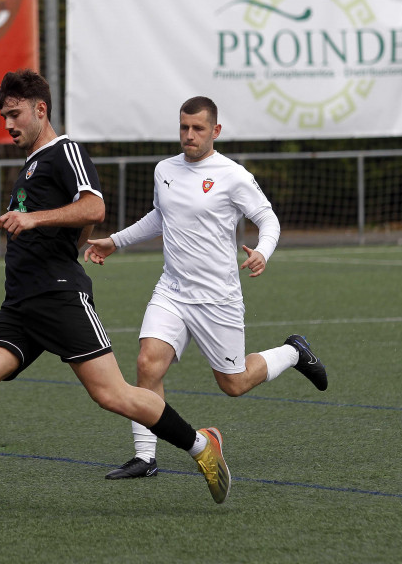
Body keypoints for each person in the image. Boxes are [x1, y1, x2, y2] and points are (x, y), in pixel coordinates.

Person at [0, 71, 231, 511]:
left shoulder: (64, 150)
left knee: (113, 395)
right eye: (3, 116)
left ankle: (203, 446)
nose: (8, 124)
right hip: (20, 305)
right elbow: (77, 223)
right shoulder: (29, 168)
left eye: (14, 114)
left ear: (40, 109)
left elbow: (95, 206)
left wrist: (34, 219)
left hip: (58, 295)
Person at [84, 96, 327, 480]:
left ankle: (293, 352)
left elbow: (268, 219)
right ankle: (145, 458)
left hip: (218, 298)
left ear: (215, 131)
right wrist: (116, 241)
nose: (189, 135)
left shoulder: (233, 175)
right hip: (172, 291)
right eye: (184, 127)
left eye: (198, 128)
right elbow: (160, 216)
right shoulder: (164, 168)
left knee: (233, 384)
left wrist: (263, 252)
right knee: (148, 363)